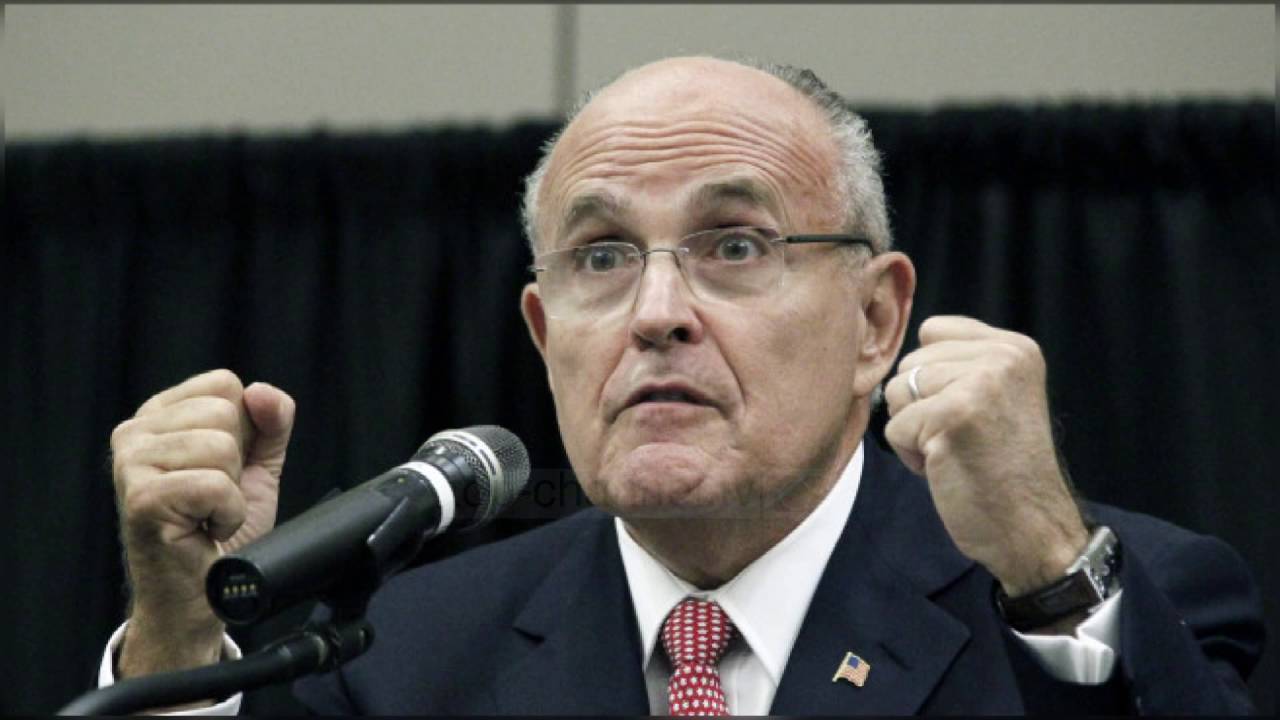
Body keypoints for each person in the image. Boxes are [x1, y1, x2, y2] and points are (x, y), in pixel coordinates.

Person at [101, 56, 1264, 714]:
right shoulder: (403, 657)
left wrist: (1053, 577)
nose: (656, 312)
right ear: (544, 332)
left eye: (735, 245)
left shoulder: (1112, 602)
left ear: (875, 321)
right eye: (603, 257)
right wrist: (178, 635)